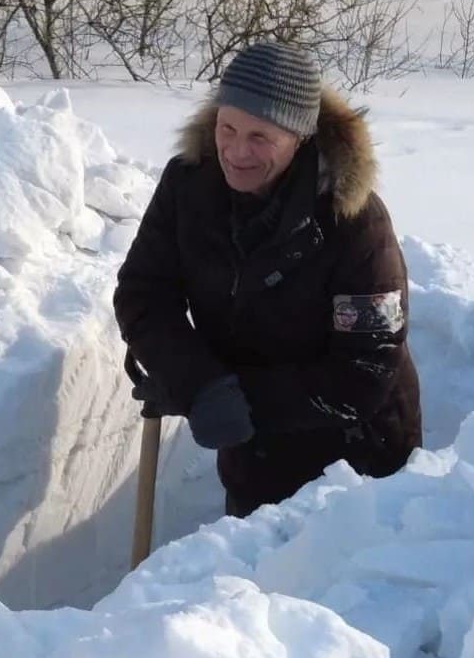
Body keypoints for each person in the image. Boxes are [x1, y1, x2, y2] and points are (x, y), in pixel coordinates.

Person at [113, 41, 422, 517]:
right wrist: (192, 379)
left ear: (299, 137)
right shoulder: (188, 185)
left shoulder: (353, 220)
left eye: (261, 137)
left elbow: (367, 369)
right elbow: (145, 291)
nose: (237, 151)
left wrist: (237, 399)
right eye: (227, 127)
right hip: (252, 457)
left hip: (358, 468)